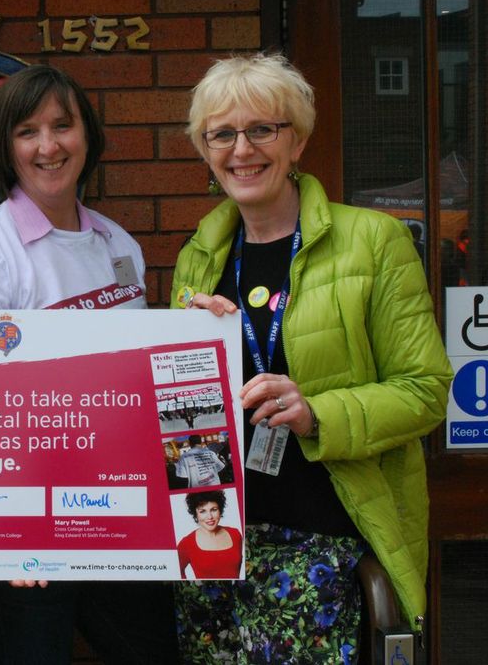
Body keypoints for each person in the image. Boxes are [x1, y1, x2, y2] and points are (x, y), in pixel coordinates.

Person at [171, 53, 451, 663]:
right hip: (213, 542)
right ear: (206, 151)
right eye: (222, 134)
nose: (242, 149)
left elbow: (427, 390)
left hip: (321, 544)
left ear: (295, 141)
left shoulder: (372, 241)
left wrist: (316, 411)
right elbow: (186, 418)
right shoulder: (199, 255)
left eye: (262, 129)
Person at [0, 64, 177, 664]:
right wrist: (15, 536)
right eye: (27, 131)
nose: (48, 146)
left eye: (63, 126)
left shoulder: (119, 244)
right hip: (23, 534)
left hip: (117, 516)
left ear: (87, 137)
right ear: (5, 148)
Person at [176, 491, 243, 580]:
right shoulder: (186, 543)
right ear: (196, 514)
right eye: (203, 511)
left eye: (214, 509)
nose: (209, 517)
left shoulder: (235, 534)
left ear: (220, 510)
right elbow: (176, 572)